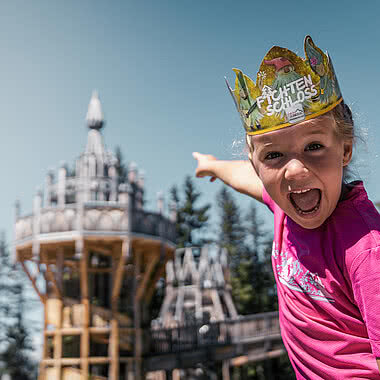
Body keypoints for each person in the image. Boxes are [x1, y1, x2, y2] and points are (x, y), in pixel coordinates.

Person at [193, 36, 380, 379]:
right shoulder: (284, 206)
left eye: (314, 146)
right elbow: (242, 176)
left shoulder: (366, 249)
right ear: (256, 163)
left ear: (346, 149)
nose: (294, 170)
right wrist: (212, 165)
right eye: (274, 155)